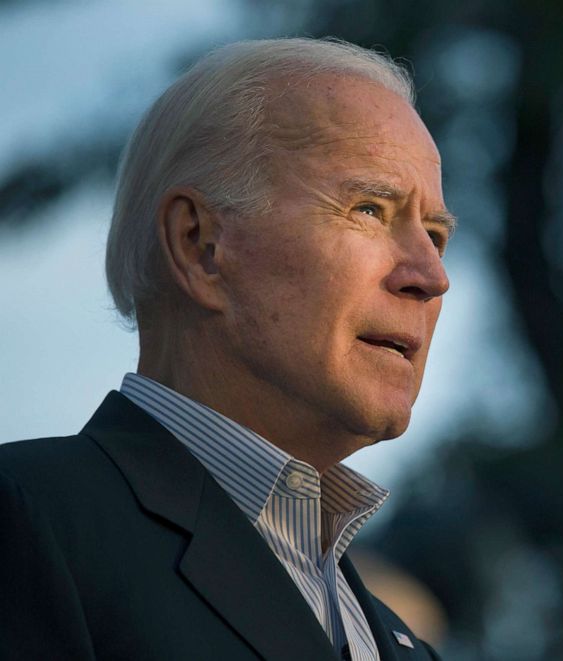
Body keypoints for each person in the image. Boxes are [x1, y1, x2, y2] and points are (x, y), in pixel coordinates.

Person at [0, 37, 454, 661]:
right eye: (370, 209)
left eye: (436, 235)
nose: (430, 276)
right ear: (200, 245)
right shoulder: (28, 521)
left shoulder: (407, 647)